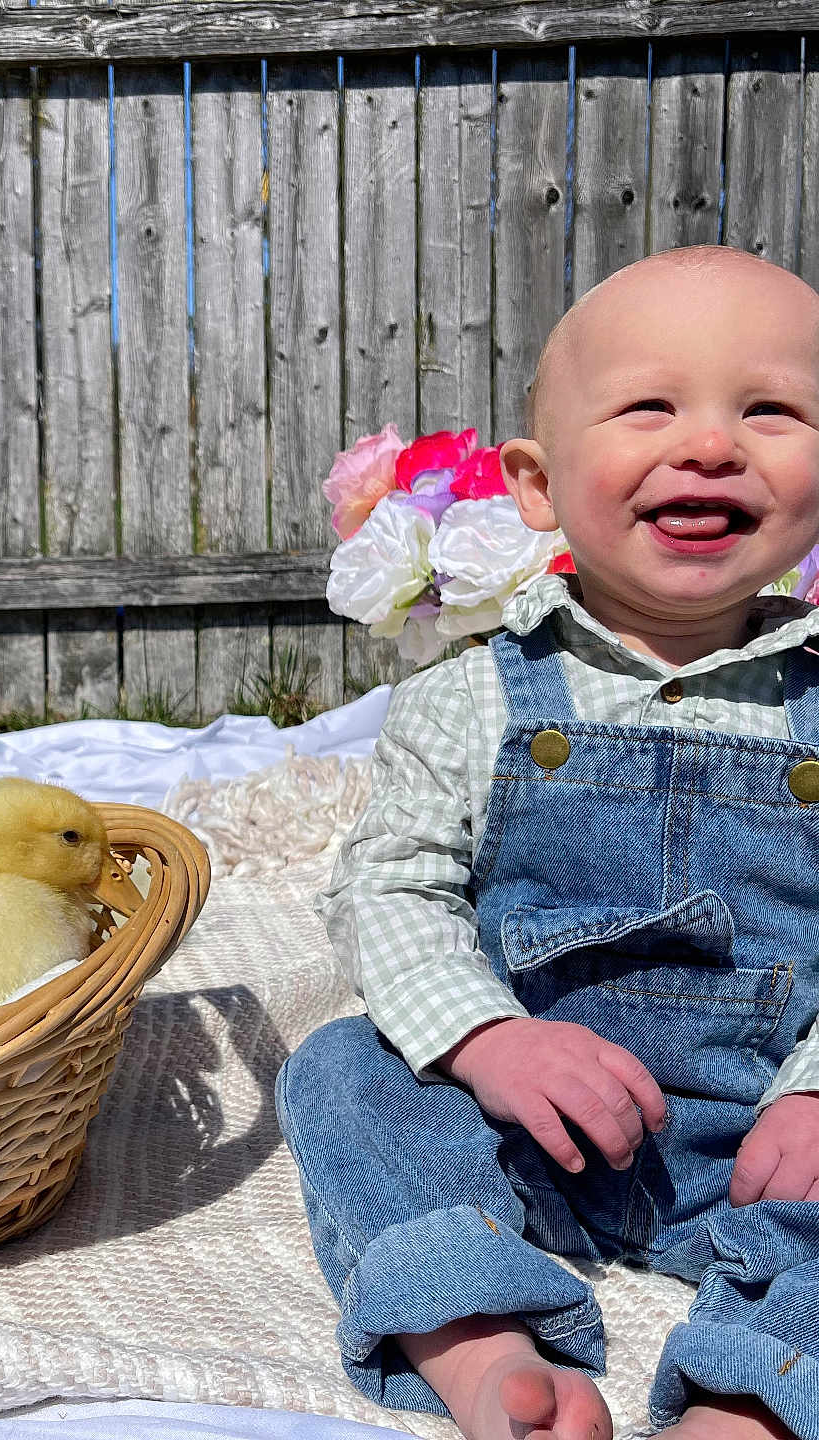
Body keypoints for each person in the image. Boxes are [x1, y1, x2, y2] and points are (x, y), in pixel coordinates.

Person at [277, 244, 819, 1440]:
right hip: (524, 1127)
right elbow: (388, 885)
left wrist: (816, 1093)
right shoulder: (476, 697)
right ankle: (478, 1340)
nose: (713, 445)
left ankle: (755, 1391)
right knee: (340, 1072)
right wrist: (485, 1039)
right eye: (649, 407)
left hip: (764, 1139)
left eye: (770, 409)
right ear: (536, 484)